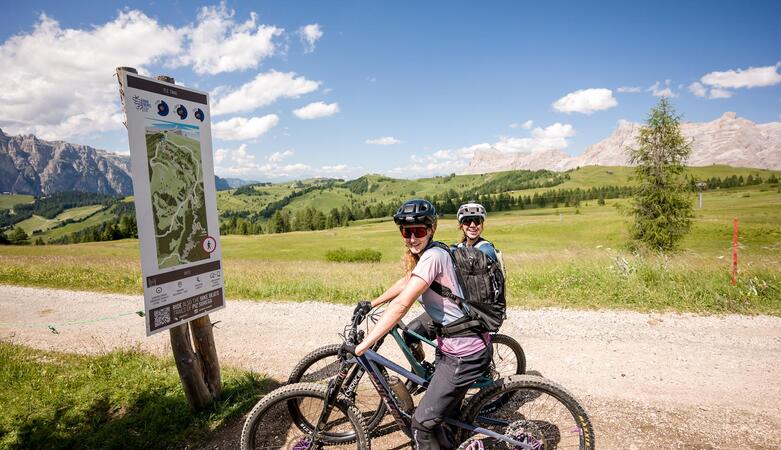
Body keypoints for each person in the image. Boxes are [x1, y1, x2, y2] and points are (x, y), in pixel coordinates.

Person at [355, 199, 492, 449]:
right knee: (440, 417)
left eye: (418, 231)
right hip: (453, 347)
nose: (412, 238)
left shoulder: (434, 257)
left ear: (431, 229)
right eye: (406, 232)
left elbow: (401, 304)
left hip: (464, 353)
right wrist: (372, 304)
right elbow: (406, 282)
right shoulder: (429, 254)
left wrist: (367, 342)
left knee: (421, 425)